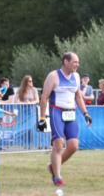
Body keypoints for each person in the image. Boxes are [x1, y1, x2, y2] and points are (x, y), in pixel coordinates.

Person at [38, 52, 91, 187]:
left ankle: (54, 166)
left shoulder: (77, 77)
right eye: (75, 62)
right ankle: (57, 176)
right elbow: (44, 97)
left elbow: (78, 96)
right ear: (66, 62)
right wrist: (42, 118)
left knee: (73, 146)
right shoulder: (53, 76)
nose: (77, 65)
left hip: (71, 113)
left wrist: (85, 113)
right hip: (57, 111)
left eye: (78, 62)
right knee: (59, 144)